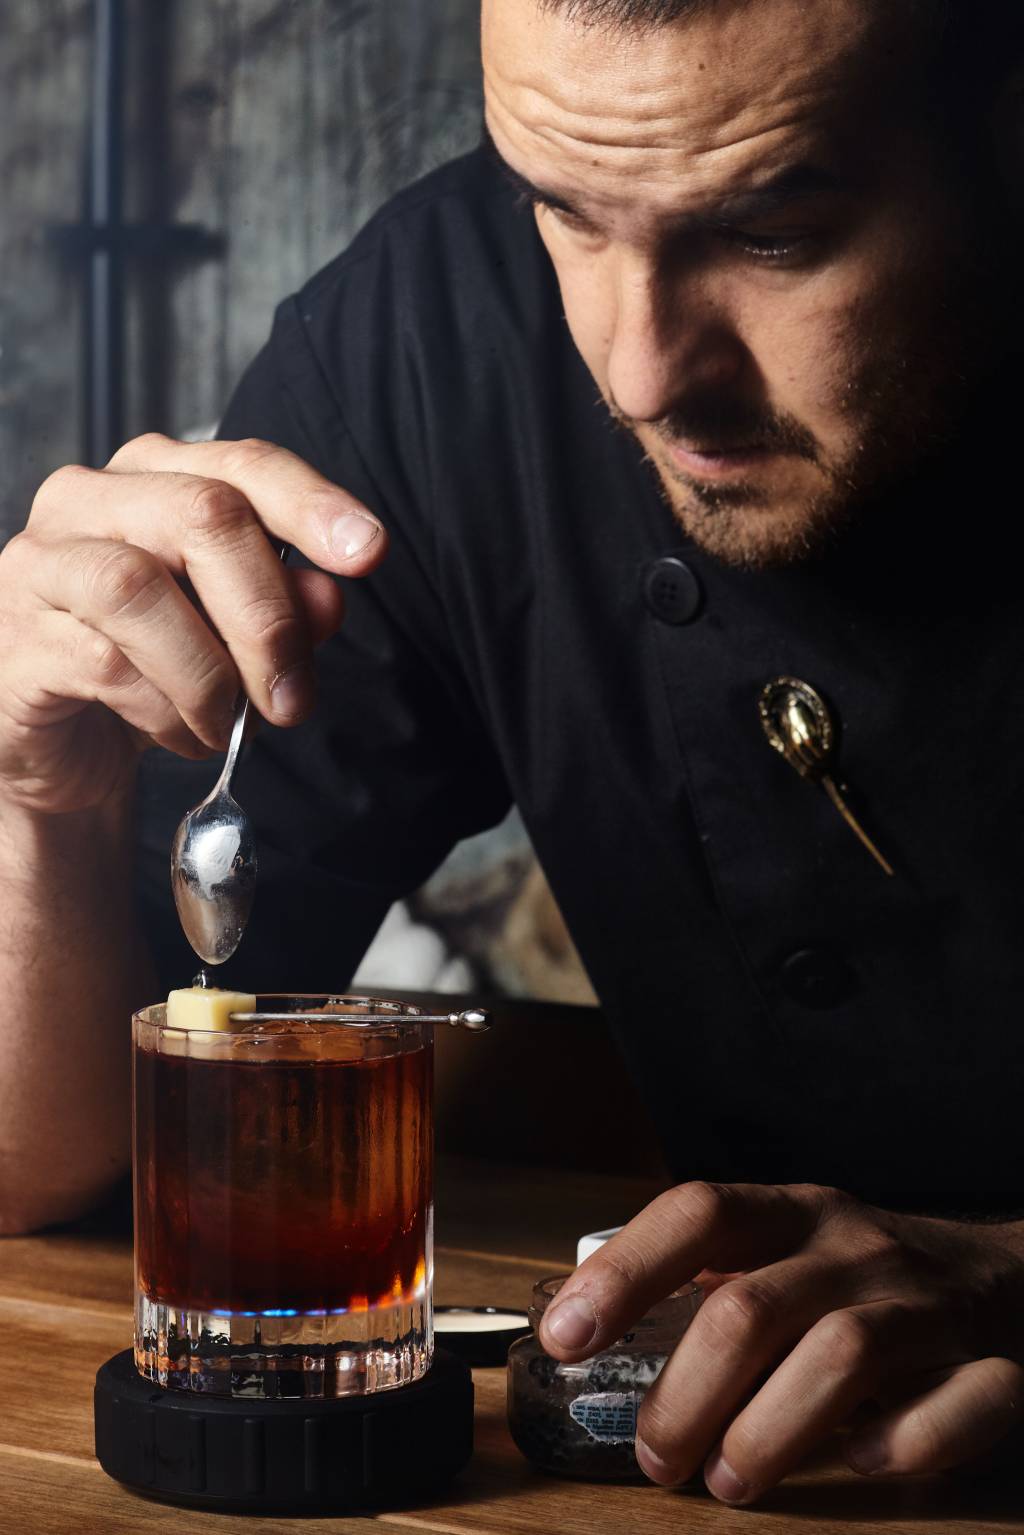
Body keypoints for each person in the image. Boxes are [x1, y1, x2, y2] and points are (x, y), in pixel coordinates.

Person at [2, 0, 1024, 1502]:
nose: (638, 373)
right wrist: (33, 807)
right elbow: (43, 1161)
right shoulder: (436, 336)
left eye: (776, 233)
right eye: (566, 210)